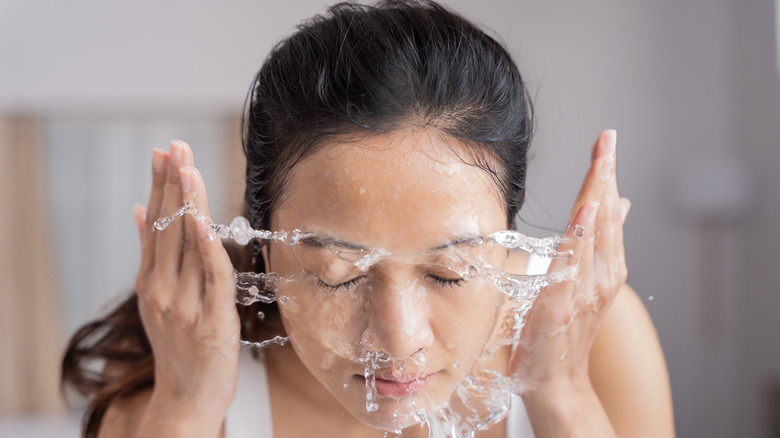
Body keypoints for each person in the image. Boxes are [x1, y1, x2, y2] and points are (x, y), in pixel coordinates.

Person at [61, 1, 674, 437]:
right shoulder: (170, 393)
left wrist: (561, 398)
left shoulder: (600, 338)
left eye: (452, 273)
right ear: (267, 250)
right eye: (338, 274)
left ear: (508, 236)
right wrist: (187, 409)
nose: (397, 340)